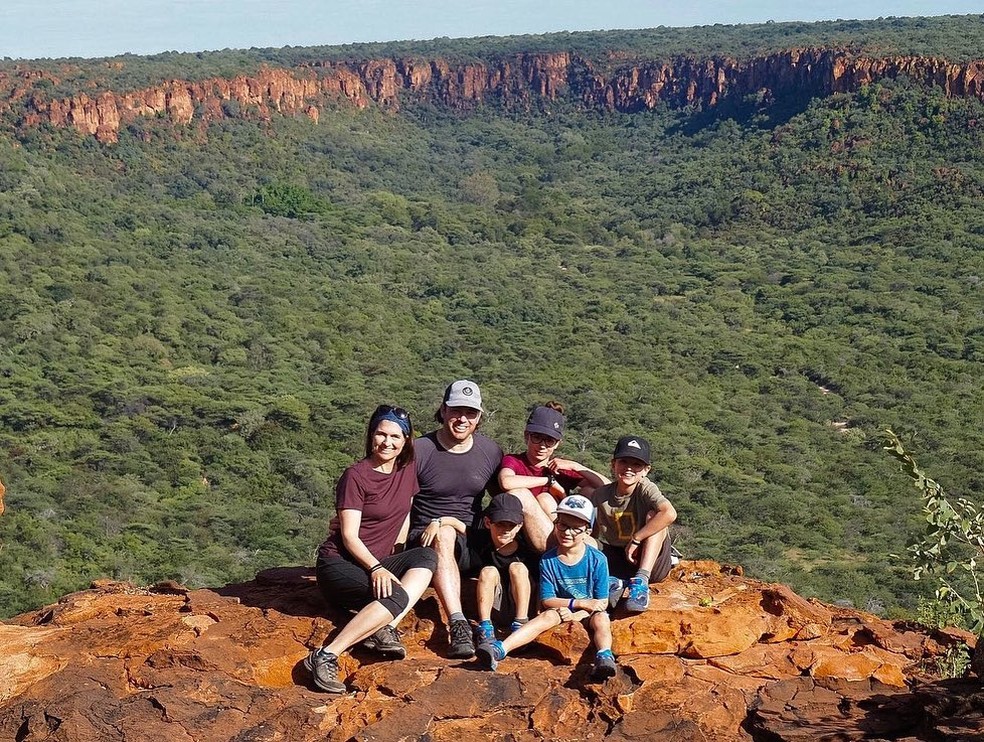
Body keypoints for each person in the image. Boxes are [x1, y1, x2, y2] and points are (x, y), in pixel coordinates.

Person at [306, 405, 438, 694]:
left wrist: (441, 521)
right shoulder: (356, 475)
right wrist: (377, 568)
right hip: (340, 564)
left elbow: (406, 513)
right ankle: (325, 655)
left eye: (395, 436)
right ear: (371, 435)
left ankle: (382, 626)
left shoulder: (407, 470)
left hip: (378, 560)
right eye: (381, 434)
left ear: (405, 441)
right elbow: (350, 536)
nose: (387, 442)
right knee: (397, 594)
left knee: (427, 556)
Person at [405, 379, 506, 658]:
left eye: (470, 413)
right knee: (443, 534)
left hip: (471, 542)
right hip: (424, 541)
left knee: (449, 531)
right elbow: (400, 500)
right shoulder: (420, 449)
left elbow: (503, 501)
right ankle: (458, 623)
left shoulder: (490, 452)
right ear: (443, 410)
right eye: (456, 410)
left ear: (479, 417)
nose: (463, 419)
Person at [476, 494, 618, 681]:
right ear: (556, 524)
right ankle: (500, 649)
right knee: (547, 616)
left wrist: (578, 611)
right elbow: (547, 599)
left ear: (587, 531)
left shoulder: (597, 559)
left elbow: (601, 602)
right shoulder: (548, 559)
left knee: (601, 620)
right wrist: (574, 604)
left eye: (576, 528)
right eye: (563, 525)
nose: (567, 532)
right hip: (563, 608)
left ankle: (604, 656)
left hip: (589, 612)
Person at [591, 435, 677, 613]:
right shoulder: (601, 495)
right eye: (623, 462)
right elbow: (592, 532)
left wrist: (637, 538)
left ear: (646, 470)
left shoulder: (645, 488)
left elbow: (669, 513)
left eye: (636, 465)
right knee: (584, 538)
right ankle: (613, 581)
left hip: (648, 559)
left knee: (655, 515)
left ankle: (640, 581)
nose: (629, 468)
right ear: (613, 464)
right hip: (618, 557)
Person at [499, 403, 609, 518]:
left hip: (561, 528)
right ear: (527, 436)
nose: (542, 445)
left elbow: (608, 487)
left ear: (557, 443)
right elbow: (506, 482)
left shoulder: (560, 469)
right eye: (537, 437)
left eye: (549, 440)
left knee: (589, 491)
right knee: (544, 499)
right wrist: (548, 481)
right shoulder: (514, 461)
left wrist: (575, 466)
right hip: (522, 527)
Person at [472, 492, 541, 645]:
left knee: (518, 568)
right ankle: (485, 628)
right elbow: (462, 529)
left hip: (522, 605)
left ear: (520, 525)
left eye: (511, 525)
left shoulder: (528, 551)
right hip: (496, 607)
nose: (506, 530)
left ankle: (520, 625)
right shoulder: (479, 545)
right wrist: (440, 521)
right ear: (488, 522)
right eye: (500, 524)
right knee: (488, 571)